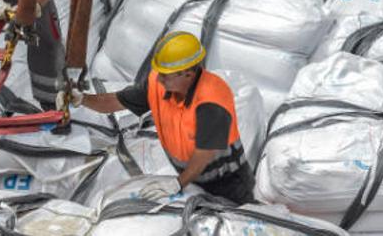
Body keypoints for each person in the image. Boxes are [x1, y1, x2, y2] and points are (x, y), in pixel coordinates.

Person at [58, 31, 255, 205]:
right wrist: (82, 99)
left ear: (188, 74)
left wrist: (177, 183)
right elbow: (116, 101)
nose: (159, 78)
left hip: (228, 184)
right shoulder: (158, 84)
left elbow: (204, 155)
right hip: (191, 179)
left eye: (166, 75)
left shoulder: (212, 100)